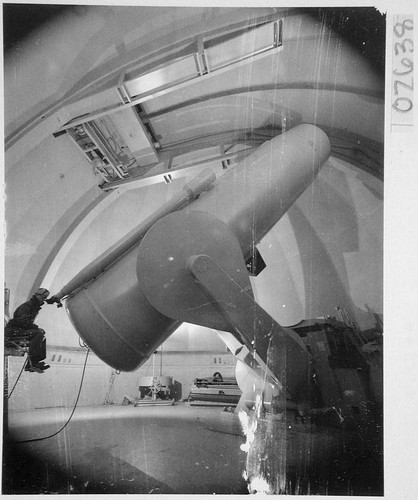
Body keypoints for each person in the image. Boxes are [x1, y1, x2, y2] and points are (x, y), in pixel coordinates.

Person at [5, 288, 52, 373]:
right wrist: (35, 327)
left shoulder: (33, 306)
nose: (44, 300)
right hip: (12, 331)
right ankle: (31, 363)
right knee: (38, 333)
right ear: (37, 295)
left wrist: (35, 328)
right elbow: (22, 321)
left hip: (19, 329)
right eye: (43, 297)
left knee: (41, 335)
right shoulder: (27, 306)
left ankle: (36, 361)